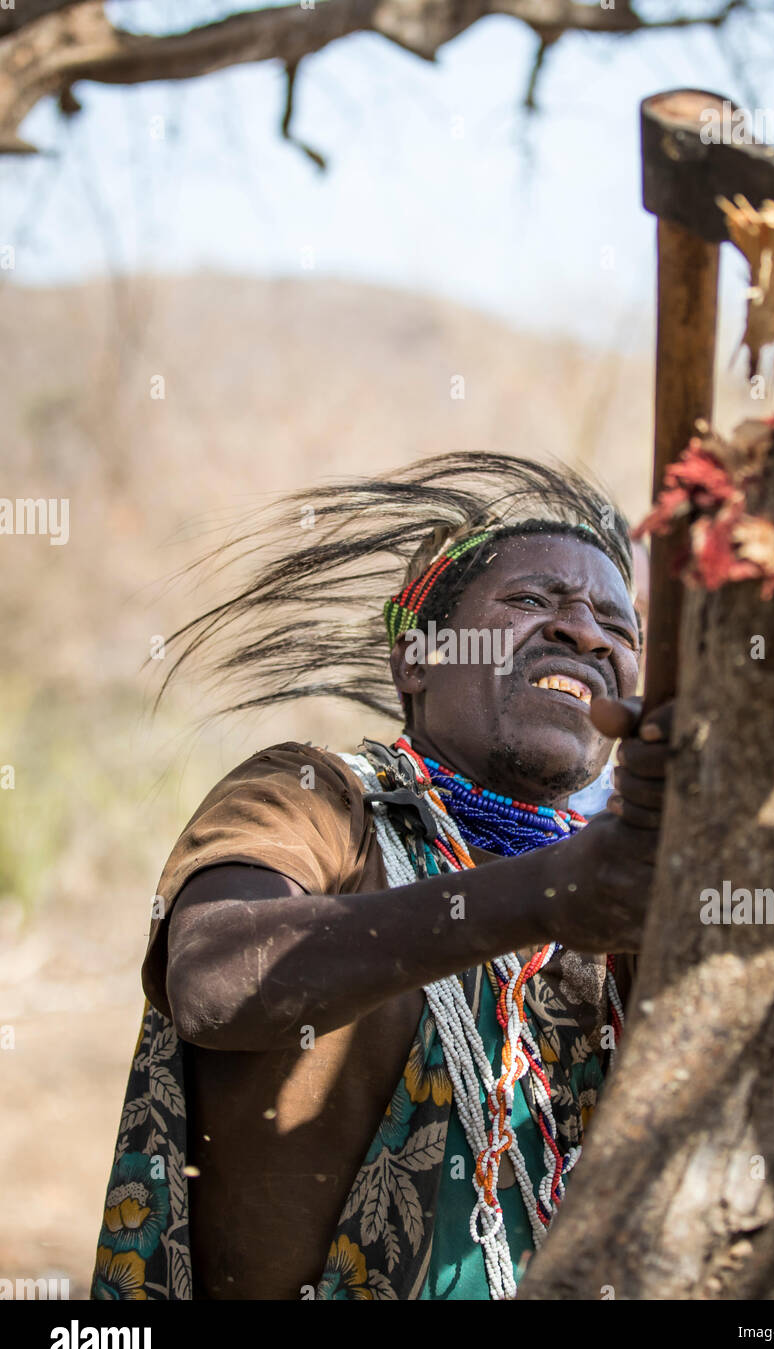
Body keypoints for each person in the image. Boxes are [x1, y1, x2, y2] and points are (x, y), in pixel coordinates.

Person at [90, 451, 672, 1302]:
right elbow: (215, 983)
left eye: (618, 630)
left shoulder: (627, 893)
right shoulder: (316, 796)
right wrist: (551, 892)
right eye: (531, 602)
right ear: (416, 660)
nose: (583, 632)